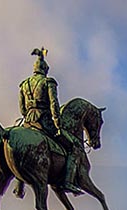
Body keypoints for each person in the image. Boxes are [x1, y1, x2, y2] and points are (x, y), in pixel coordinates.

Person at [20, 47, 82, 194]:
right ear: (45, 70)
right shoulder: (48, 82)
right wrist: (57, 122)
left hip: (28, 121)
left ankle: (19, 185)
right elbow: (54, 103)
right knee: (73, 147)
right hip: (44, 121)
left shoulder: (24, 84)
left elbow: (22, 108)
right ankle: (68, 182)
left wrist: (28, 116)